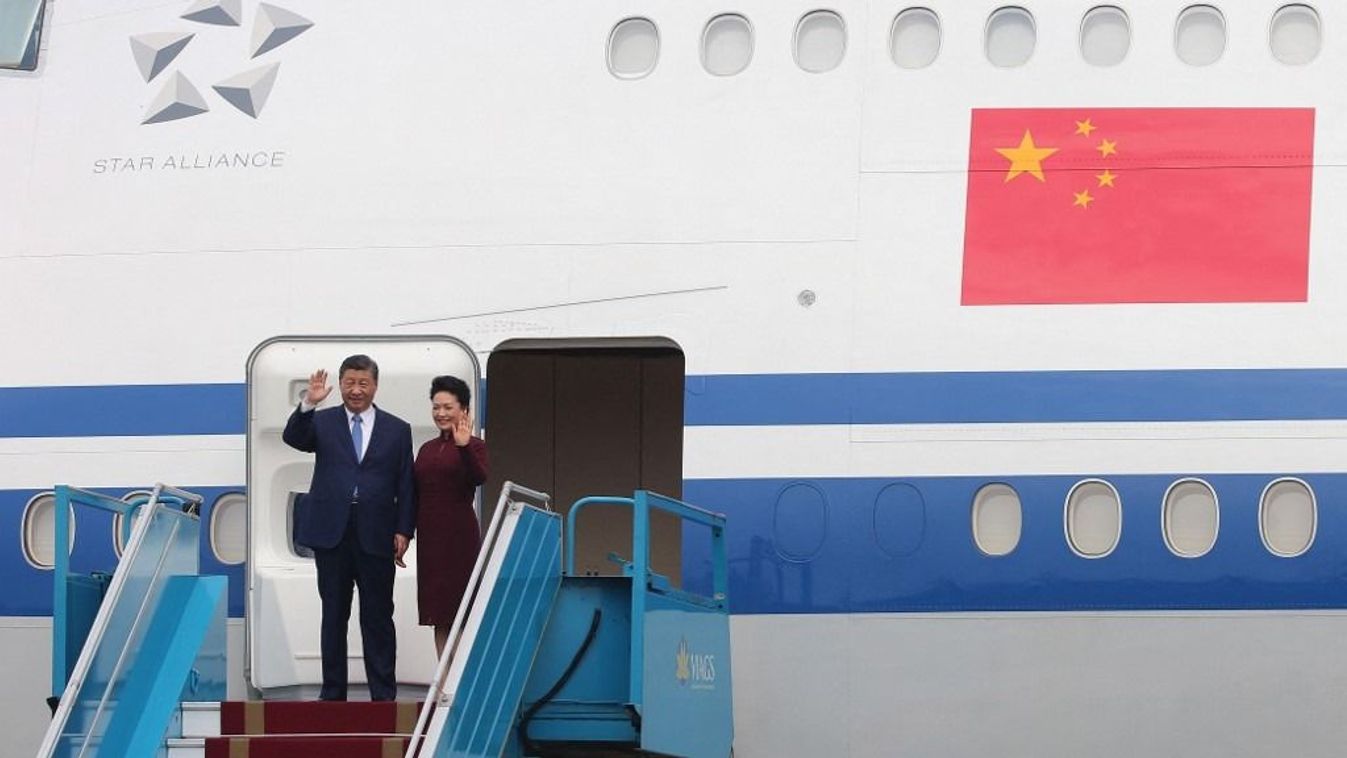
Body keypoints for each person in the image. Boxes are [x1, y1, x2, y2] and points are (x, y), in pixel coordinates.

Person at [283, 354, 416, 701]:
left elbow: (406, 484)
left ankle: (384, 695)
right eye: (349, 383)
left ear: (375, 385)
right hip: (332, 531)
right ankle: (332, 694)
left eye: (363, 383)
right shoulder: (323, 422)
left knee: (377, 616)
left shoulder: (397, 429)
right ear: (340, 384)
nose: (356, 390)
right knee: (333, 614)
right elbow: (293, 437)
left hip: (377, 531)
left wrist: (404, 530)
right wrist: (308, 403)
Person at [414, 374, 489, 657]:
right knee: (439, 613)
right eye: (436, 407)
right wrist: (404, 533)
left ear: (464, 410)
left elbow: (479, 477)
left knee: (463, 610)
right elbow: (415, 492)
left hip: (460, 537)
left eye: (447, 407)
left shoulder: (475, 445)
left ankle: (463, 682)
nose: (441, 413)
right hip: (430, 539)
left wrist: (464, 445)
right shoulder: (426, 449)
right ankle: (443, 681)